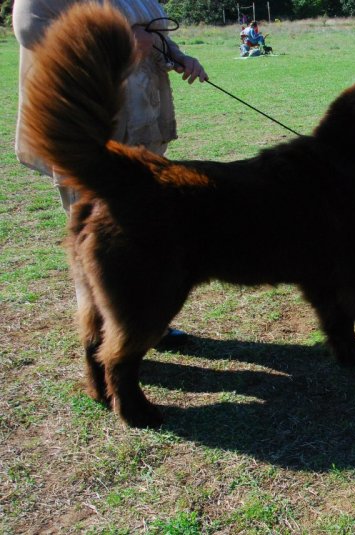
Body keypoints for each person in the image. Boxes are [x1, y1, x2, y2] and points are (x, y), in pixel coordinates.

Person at [14, 0, 208, 347]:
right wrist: (117, 38)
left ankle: (145, 323)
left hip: (141, 120)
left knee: (142, 232)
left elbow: (155, 34)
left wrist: (177, 56)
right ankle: (104, 336)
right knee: (97, 235)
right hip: (87, 125)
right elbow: (32, 31)